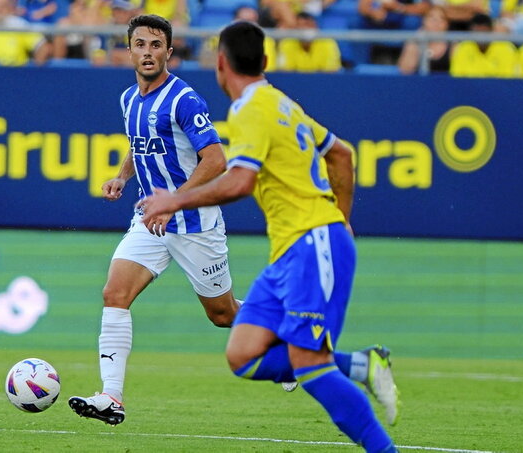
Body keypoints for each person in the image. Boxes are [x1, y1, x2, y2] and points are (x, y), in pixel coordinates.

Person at [139, 20, 399, 451]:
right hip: (294, 250)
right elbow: (341, 153)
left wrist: (174, 201)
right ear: (263, 62)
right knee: (243, 354)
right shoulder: (280, 103)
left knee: (310, 367)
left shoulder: (248, 110)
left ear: (220, 64)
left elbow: (240, 181)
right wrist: (343, 218)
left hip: (312, 242)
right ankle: (361, 364)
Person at [67, 14, 243, 426]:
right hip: (149, 220)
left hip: (193, 223)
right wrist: (122, 176)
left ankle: (283, 335)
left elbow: (215, 159)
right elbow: (140, 145)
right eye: (140, 45)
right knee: (115, 293)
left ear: (169, 51)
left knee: (223, 315)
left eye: (155, 45)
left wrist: (174, 201)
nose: (148, 53)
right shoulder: (129, 98)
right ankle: (111, 396)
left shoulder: (184, 99)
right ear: (129, 50)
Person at [450, 13, 519, 78]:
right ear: (471, 32)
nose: (481, 37)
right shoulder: (463, 48)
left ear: (491, 31)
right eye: (477, 32)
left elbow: (510, 81)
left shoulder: (506, 49)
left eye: (484, 32)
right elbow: (457, 78)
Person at [276, 11, 342, 72]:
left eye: (307, 25)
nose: (304, 29)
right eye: (300, 25)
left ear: (315, 27)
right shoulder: (287, 44)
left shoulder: (328, 42)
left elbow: (331, 74)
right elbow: (285, 74)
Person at [398, 5, 451, 74]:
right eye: (431, 18)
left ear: (447, 24)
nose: (436, 22)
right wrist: (414, 42)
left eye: (442, 19)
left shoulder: (453, 46)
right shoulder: (414, 42)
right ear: (424, 21)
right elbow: (405, 71)